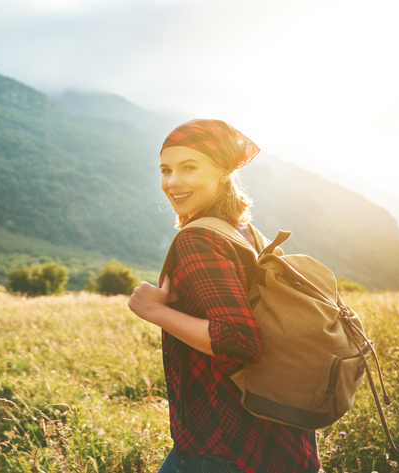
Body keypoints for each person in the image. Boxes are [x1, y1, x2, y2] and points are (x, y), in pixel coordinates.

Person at [127, 119, 319, 473]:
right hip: (278, 434)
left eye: (189, 167)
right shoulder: (246, 232)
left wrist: (154, 311)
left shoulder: (199, 238)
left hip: (220, 444)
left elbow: (239, 340)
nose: (172, 182)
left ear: (221, 172)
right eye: (166, 170)